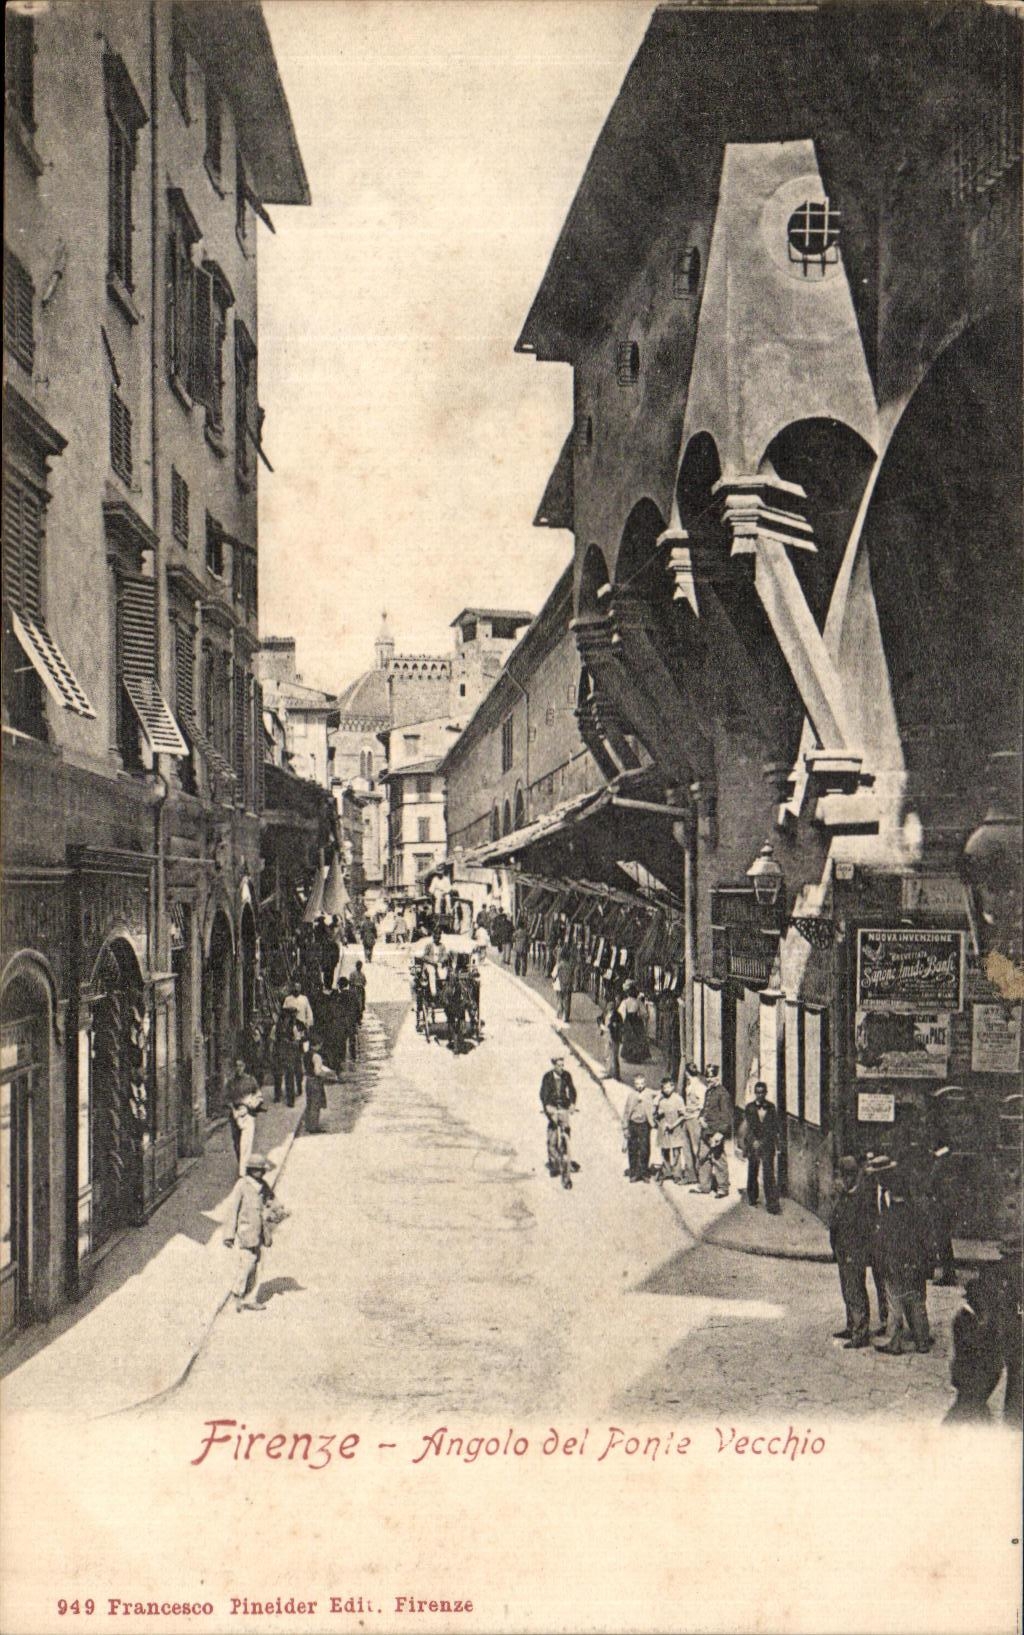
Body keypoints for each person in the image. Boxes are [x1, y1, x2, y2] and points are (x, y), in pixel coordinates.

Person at [874, 1170, 933, 1355]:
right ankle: (922, 1341)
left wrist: (882, 1264)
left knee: (896, 1305)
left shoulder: (889, 1216)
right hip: (915, 1266)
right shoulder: (916, 1213)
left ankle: (895, 1342)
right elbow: (925, 1240)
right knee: (917, 1302)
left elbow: (882, 1244)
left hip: (895, 1267)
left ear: (892, 1193)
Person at [828, 1156, 876, 1348]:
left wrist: (855, 1251)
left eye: (843, 1176)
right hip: (842, 1249)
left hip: (854, 1252)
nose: (840, 1180)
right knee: (847, 1290)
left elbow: (863, 1229)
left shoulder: (860, 1199)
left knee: (856, 1291)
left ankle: (861, 1332)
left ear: (850, 1176)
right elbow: (835, 1221)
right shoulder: (844, 1195)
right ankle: (851, 1326)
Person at [945, 1275, 1005, 1421]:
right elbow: (974, 1345)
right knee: (967, 1409)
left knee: (971, 1408)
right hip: (970, 1376)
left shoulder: (977, 1318)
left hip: (978, 1376)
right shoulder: (964, 1319)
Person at [223, 1153, 276, 1313]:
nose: (262, 1173)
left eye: (263, 1171)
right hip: (245, 1233)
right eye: (259, 1170)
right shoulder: (242, 1186)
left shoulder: (263, 1186)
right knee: (247, 1263)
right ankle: (239, 1294)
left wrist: (276, 1212)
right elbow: (232, 1211)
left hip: (260, 1232)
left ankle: (246, 1296)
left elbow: (271, 1201)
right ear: (252, 1170)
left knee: (256, 1264)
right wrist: (229, 1235)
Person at [694, 1067, 732, 1199]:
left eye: (712, 1076)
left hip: (715, 1132)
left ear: (717, 1077)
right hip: (706, 1131)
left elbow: (726, 1116)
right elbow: (705, 1108)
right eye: (707, 1076)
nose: (709, 1079)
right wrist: (700, 1117)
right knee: (703, 1157)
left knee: (718, 1159)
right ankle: (704, 1186)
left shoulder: (723, 1093)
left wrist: (720, 1133)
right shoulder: (709, 1091)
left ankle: (723, 1188)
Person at [539, 1055, 578, 1185]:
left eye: (562, 1065)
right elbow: (543, 1094)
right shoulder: (547, 1077)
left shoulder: (567, 1075)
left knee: (566, 1129)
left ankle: (566, 1152)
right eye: (559, 1065)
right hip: (552, 1106)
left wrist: (572, 1104)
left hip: (563, 1106)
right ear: (554, 1065)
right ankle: (554, 1164)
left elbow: (572, 1090)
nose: (561, 1068)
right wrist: (547, 1108)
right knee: (552, 1137)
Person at [743, 1080, 780, 1213]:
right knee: (753, 1169)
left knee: (768, 1173)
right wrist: (753, 1141)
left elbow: (774, 1127)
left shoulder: (771, 1107)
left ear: (766, 1093)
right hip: (753, 1144)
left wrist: (769, 1142)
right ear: (755, 1093)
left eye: (762, 1092)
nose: (760, 1095)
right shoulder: (749, 1108)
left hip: (767, 1144)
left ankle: (772, 1204)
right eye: (757, 1093)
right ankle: (752, 1197)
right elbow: (748, 1127)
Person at [923, 1144, 958, 1286]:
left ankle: (947, 1274)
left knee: (940, 1240)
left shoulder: (939, 1163)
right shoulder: (949, 1161)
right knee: (944, 1240)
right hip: (947, 1207)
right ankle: (948, 1273)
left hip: (939, 1207)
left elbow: (929, 1186)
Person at [228, 1058, 264, 1176]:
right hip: (235, 1115)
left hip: (248, 1114)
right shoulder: (231, 1082)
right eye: (236, 1066)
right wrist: (233, 1110)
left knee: (246, 1143)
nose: (238, 1069)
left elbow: (259, 1096)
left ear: (244, 1067)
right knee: (237, 1143)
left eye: (241, 1066)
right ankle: (242, 1164)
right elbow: (226, 1099)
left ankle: (243, 1171)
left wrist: (252, 1104)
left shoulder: (250, 1080)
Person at [622, 1074, 656, 1183]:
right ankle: (634, 1173)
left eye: (642, 1083)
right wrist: (625, 1127)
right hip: (633, 1124)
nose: (640, 1086)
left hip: (644, 1124)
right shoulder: (631, 1095)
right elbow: (626, 1111)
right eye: (637, 1084)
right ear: (634, 1084)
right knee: (633, 1148)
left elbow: (660, 1093)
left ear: (645, 1083)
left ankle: (644, 1172)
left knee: (645, 1148)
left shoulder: (649, 1093)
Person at [653, 1076, 687, 1184]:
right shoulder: (660, 1100)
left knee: (676, 1151)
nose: (667, 1090)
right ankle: (666, 1171)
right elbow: (655, 1116)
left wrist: (673, 1125)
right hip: (664, 1129)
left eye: (669, 1087)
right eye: (664, 1088)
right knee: (664, 1150)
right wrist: (658, 1113)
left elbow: (683, 1116)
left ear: (673, 1087)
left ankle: (677, 1174)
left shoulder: (678, 1099)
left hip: (675, 1129)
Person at [681, 1061, 708, 1185]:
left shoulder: (700, 1087)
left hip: (695, 1119)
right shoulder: (689, 1086)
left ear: (687, 1073)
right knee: (686, 1147)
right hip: (687, 1119)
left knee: (696, 1148)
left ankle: (701, 1175)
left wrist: (690, 1109)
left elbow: (702, 1105)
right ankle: (690, 1175)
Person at [302, 1036, 332, 1133]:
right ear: (317, 1045)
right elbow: (317, 1072)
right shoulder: (317, 1056)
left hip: (308, 1080)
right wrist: (327, 1074)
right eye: (320, 1045)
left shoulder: (306, 1054)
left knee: (309, 1103)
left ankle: (308, 1125)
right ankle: (314, 1127)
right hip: (315, 1081)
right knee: (316, 1104)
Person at [618, 982, 649, 1064]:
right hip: (637, 1020)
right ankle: (637, 1056)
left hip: (628, 1020)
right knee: (637, 1038)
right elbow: (644, 1013)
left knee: (629, 1037)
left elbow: (621, 1013)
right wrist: (640, 1016)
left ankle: (629, 1056)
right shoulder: (638, 1001)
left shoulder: (625, 1002)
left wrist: (622, 1022)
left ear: (628, 993)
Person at [334, 976, 361, 1064]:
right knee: (352, 1039)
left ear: (340, 985)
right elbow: (358, 1007)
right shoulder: (353, 994)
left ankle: (342, 1058)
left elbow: (336, 1009)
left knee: (342, 1040)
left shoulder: (339, 996)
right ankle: (353, 1057)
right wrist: (358, 1019)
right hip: (352, 1020)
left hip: (342, 1021)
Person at [600, 991, 623, 1082]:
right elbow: (599, 1019)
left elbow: (617, 1027)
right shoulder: (606, 1014)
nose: (609, 1010)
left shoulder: (617, 1016)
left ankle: (616, 1075)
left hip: (614, 1038)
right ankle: (609, 1072)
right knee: (608, 1055)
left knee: (614, 1056)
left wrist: (606, 1028)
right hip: (607, 1037)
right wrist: (601, 1025)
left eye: (610, 1009)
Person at [553, 943, 577, 1024]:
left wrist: (553, 980)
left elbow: (554, 974)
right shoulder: (570, 966)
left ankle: (558, 1012)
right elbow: (573, 975)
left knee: (559, 999)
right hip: (568, 985)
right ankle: (565, 1016)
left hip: (559, 985)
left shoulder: (559, 965)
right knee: (567, 1001)